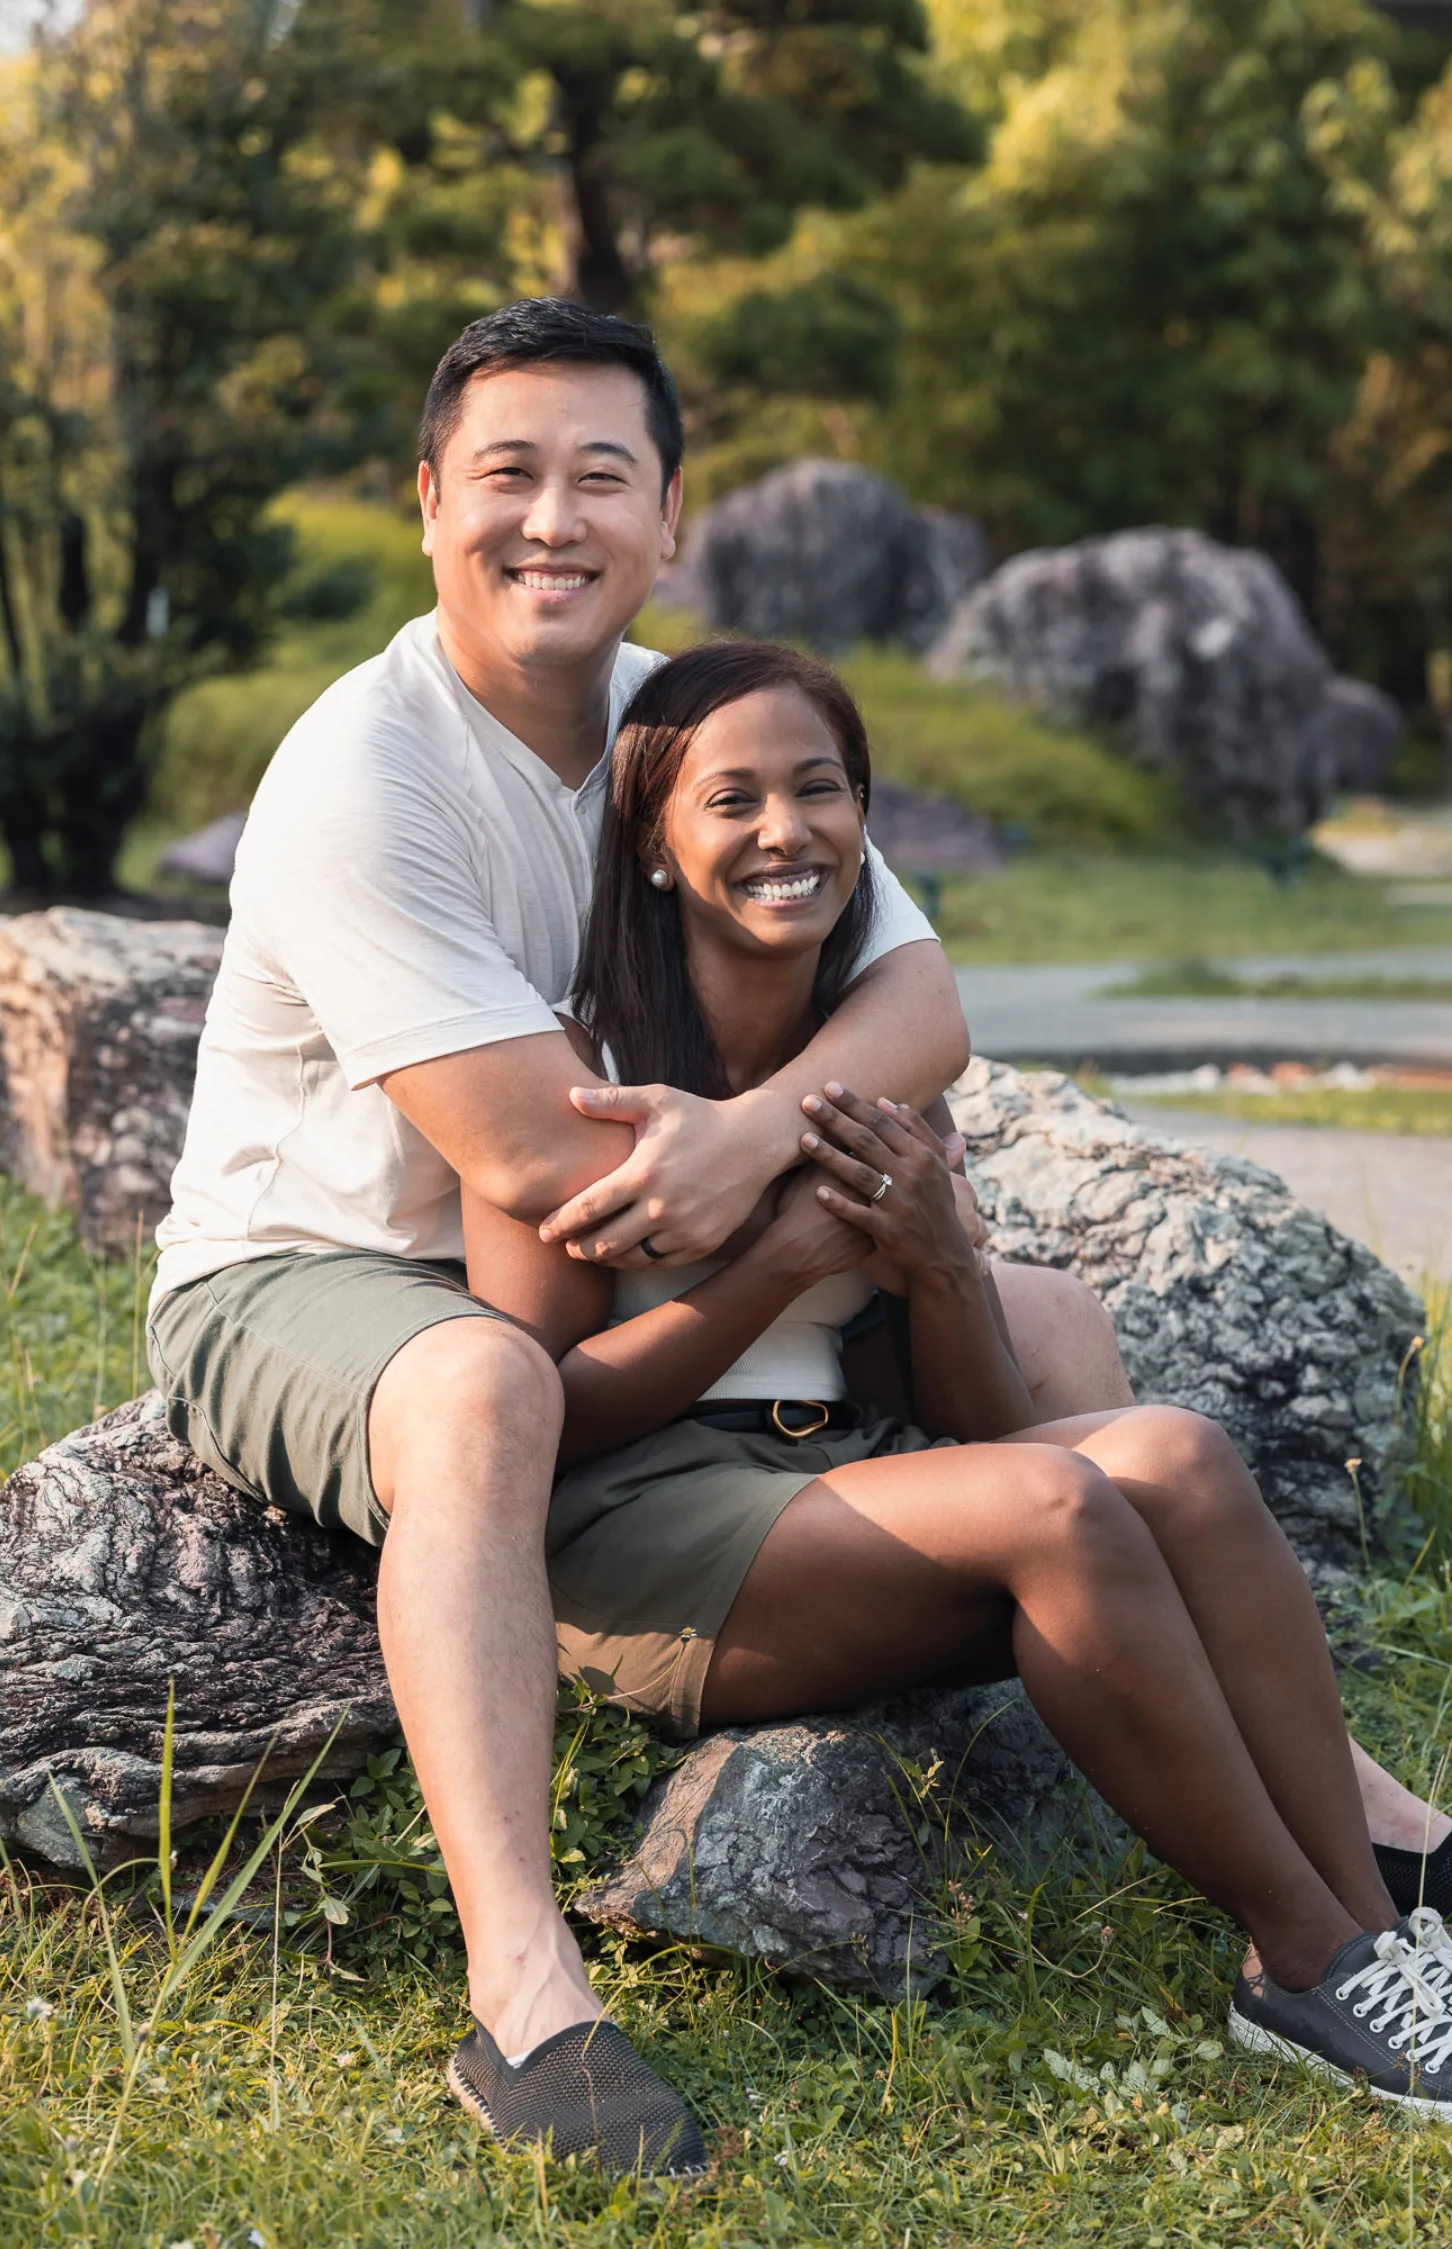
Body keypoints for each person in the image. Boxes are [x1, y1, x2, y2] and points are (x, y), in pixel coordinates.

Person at [145, 297, 1447, 2175]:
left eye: (605, 476)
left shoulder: (694, 729)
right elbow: (531, 1158)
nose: (553, 519)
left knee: (1059, 1328)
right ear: (430, 504)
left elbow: (919, 1000)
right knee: (485, 1391)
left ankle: (1368, 1834)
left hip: (635, 1286)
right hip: (334, 1265)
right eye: (507, 474)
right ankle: (525, 1992)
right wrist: (808, 1216)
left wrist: (780, 1141)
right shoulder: (370, 771)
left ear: (671, 514)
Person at [460, 636, 1452, 2150]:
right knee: (1058, 1501)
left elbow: (973, 1414)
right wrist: (774, 1266)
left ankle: (1373, 1939)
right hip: (639, 1531)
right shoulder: (577, 1072)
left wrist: (937, 1268)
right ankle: (1301, 1962)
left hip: (836, 1480)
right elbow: (543, 1422)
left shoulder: (871, 1067)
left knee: (1175, 1455)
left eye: (822, 790)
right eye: (734, 800)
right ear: (656, 842)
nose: (785, 829)